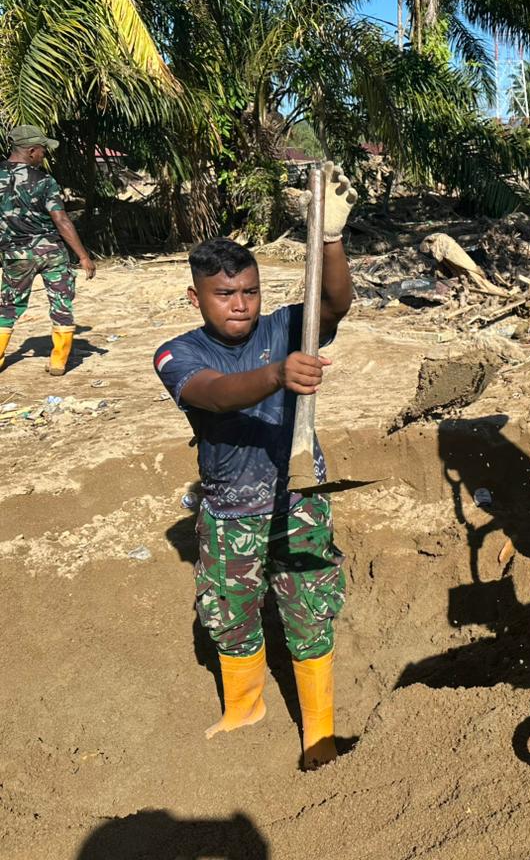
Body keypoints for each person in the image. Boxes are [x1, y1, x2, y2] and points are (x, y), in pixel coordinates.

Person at [153, 165, 356, 769]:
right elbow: (214, 395)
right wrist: (277, 374)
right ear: (196, 298)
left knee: (309, 606)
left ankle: (319, 728)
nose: (241, 305)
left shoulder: (286, 327)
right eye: (225, 295)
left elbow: (334, 304)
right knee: (229, 611)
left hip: (297, 496)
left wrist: (330, 240)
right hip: (229, 507)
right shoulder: (177, 352)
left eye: (250, 291)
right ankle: (245, 707)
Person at [0, 125, 97, 374]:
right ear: (31, 151)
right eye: (43, 150)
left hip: (16, 256)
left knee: (8, 307)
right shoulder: (44, 180)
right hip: (51, 253)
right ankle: (58, 361)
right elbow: (61, 220)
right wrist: (83, 256)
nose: (44, 155)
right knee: (61, 304)